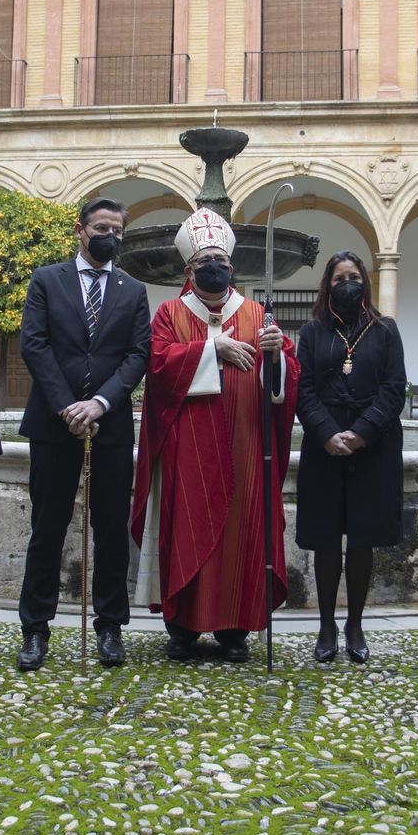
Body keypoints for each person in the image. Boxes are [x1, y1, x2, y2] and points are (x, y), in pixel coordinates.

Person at [131, 207, 299, 662]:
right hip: (188, 446)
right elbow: (159, 367)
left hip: (246, 443)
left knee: (242, 529)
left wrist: (276, 357)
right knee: (186, 524)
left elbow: (285, 379)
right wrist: (212, 348)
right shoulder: (168, 313)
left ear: (232, 267)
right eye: (205, 260)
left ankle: (234, 629)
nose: (215, 268)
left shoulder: (257, 313)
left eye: (221, 262)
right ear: (189, 270)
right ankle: (182, 627)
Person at [14, 198, 151, 671]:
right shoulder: (46, 280)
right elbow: (34, 343)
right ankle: (35, 629)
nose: (109, 236)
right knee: (46, 529)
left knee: (111, 530)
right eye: (101, 227)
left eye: (117, 229)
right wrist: (67, 404)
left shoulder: (133, 290)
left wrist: (101, 402)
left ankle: (110, 627)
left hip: (109, 424)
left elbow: (138, 354)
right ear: (80, 230)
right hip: (54, 423)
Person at [295, 251, 405, 664]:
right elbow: (302, 389)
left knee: (362, 540)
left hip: (372, 448)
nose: (347, 284)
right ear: (328, 283)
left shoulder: (385, 330)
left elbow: (395, 387)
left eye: (354, 276)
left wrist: (360, 432)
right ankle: (326, 624)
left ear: (366, 281)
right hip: (324, 449)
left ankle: (354, 623)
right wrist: (326, 433)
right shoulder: (312, 332)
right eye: (339, 277)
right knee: (325, 540)